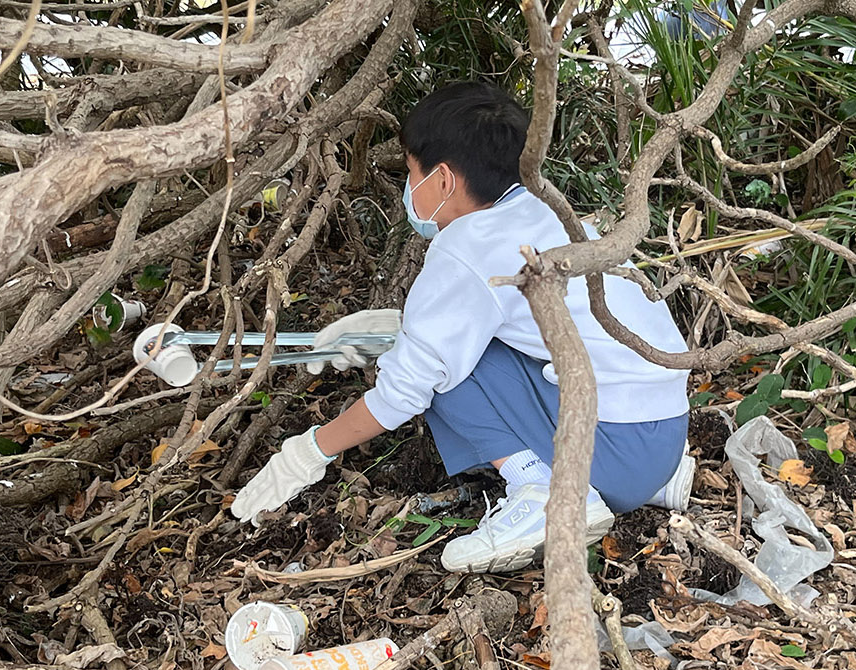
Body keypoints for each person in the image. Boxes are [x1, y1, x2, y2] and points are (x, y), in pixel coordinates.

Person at [231, 82, 695, 574]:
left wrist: (306, 452)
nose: (410, 190)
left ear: (445, 179)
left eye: (412, 173)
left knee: (448, 377)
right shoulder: (545, 212)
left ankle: (543, 493)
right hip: (663, 438)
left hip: (611, 452)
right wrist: (398, 330)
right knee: (455, 353)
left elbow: (405, 394)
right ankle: (647, 483)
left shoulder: (466, 246)